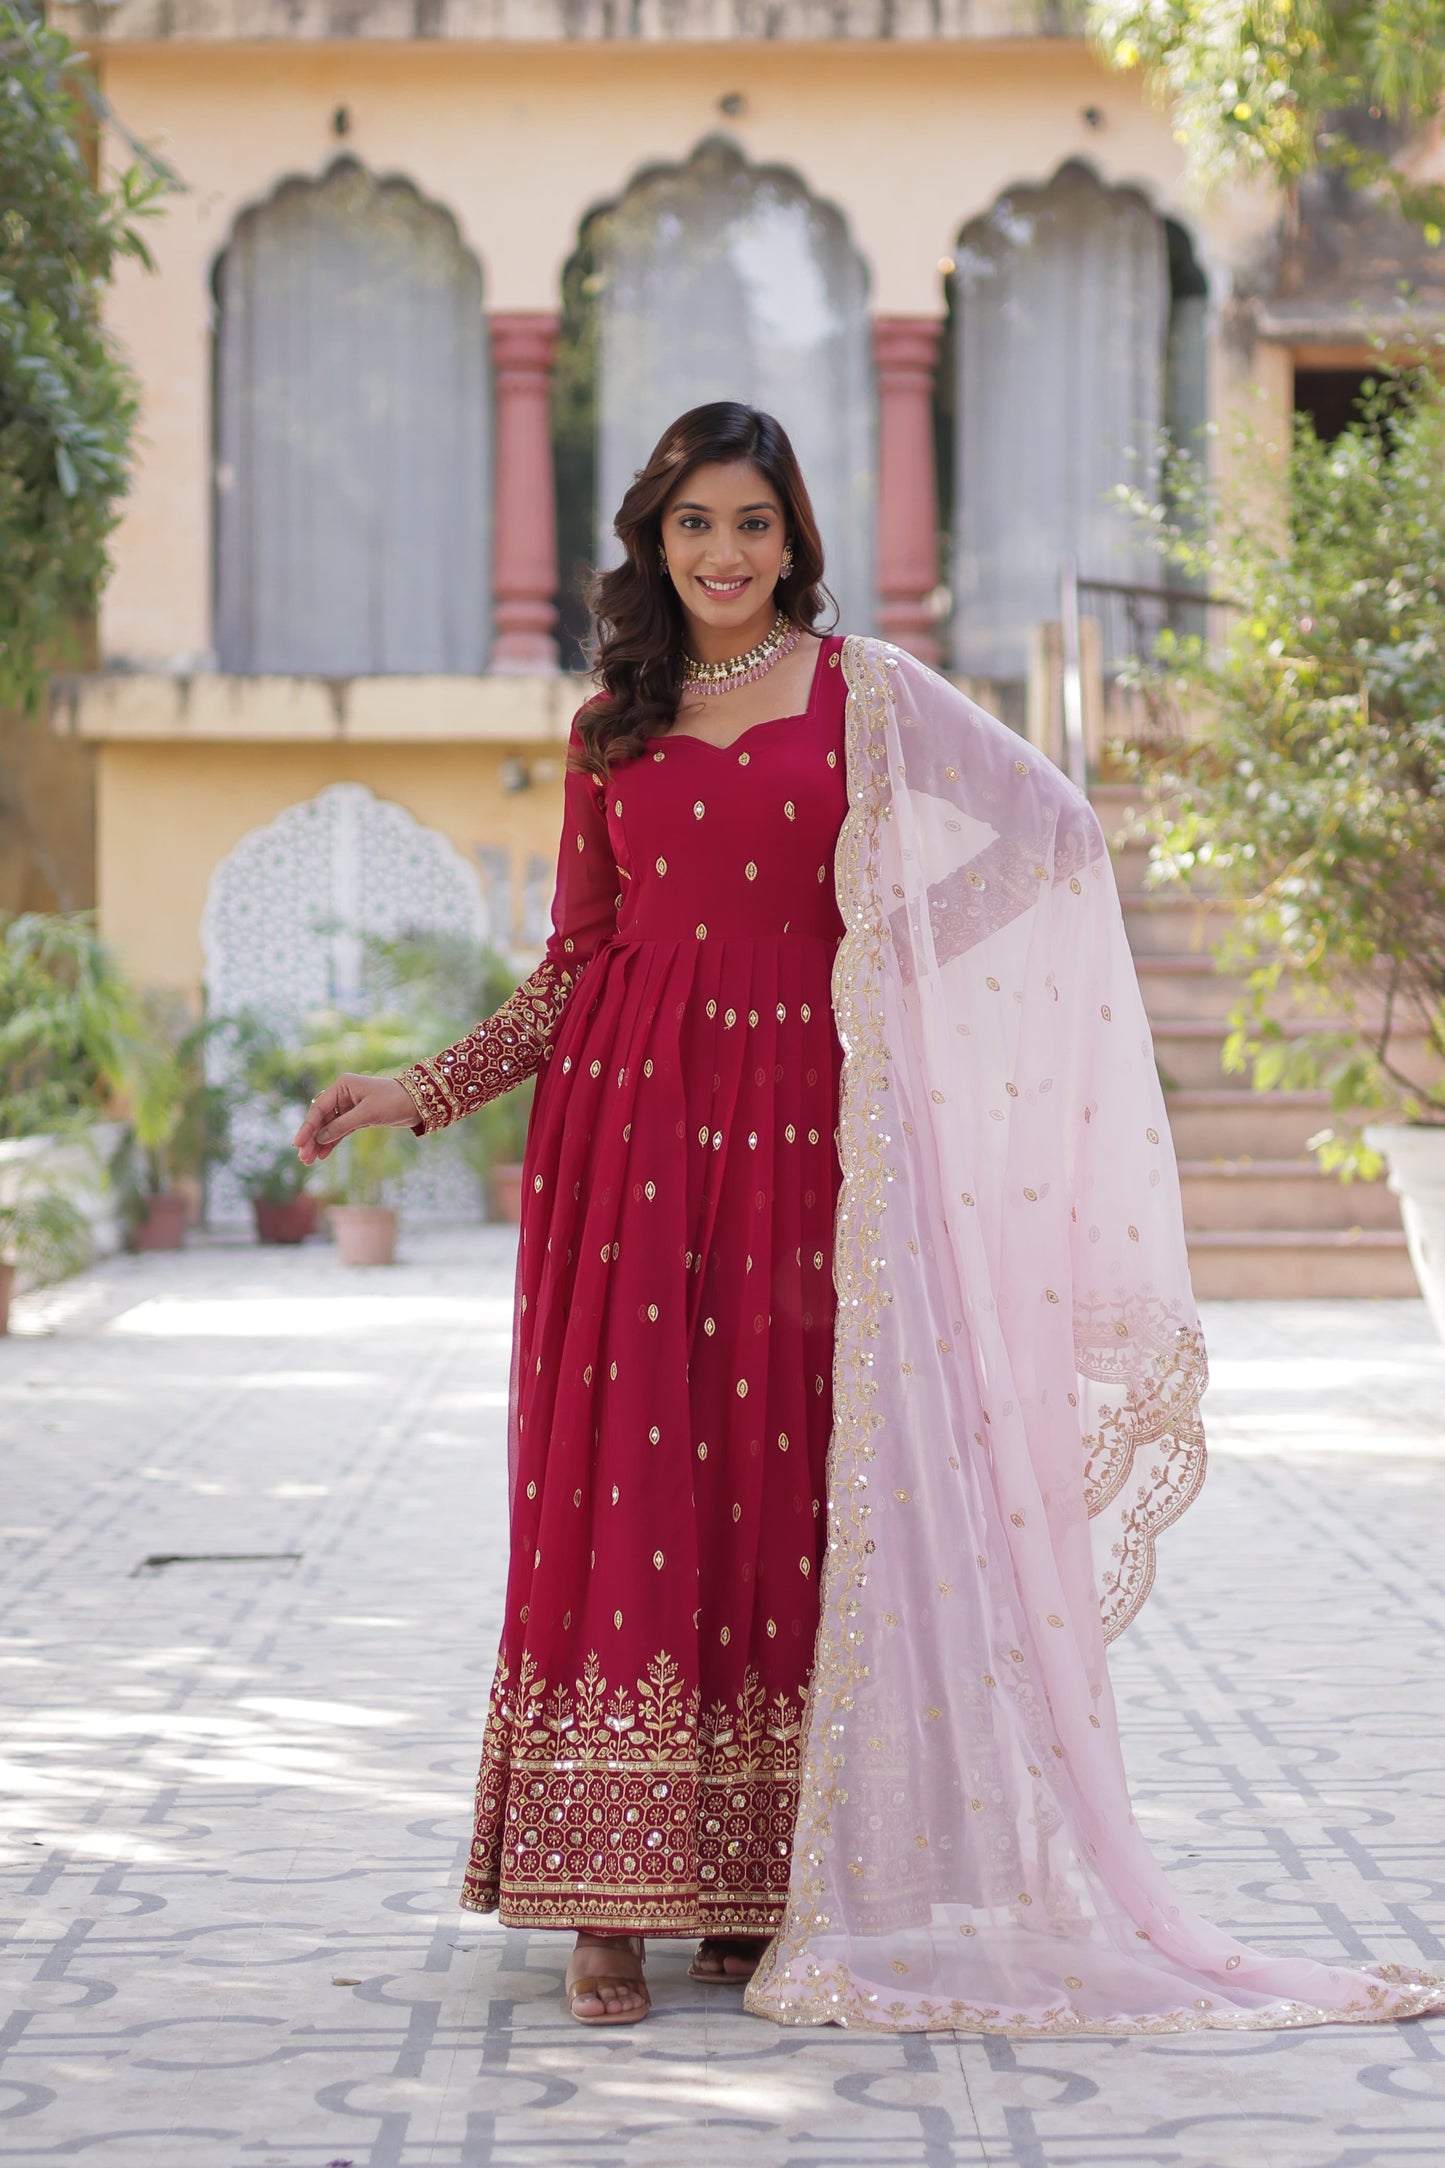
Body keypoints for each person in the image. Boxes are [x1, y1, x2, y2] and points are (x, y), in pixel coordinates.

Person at [295, 402, 1441, 2037]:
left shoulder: (864, 695)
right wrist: (427, 1083)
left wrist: (882, 958)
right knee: (619, 1477)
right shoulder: (606, 726)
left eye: (752, 523)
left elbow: (1049, 831)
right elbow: (573, 963)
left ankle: (757, 1888)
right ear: (652, 540)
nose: (722, 555)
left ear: (796, 537)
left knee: (783, 1476)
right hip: (624, 1139)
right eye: (694, 524)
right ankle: (604, 1900)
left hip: (801, 1130)